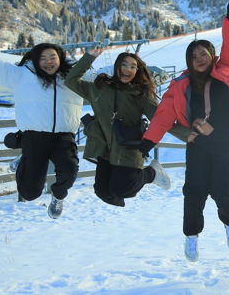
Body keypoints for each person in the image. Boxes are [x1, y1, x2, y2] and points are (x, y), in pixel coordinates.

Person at [139, 0, 229, 262]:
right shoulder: (180, 84)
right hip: (198, 143)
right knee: (194, 191)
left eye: (204, 53)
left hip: (225, 142)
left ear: (212, 55)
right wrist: (149, 141)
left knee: (223, 189)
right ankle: (191, 236)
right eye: (194, 55)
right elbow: (162, 115)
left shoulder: (227, 70)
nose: (199, 58)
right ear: (188, 61)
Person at [0, 27, 83, 219]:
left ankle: (58, 197)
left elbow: (103, 77)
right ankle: (24, 161)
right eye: (43, 58)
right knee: (30, 193)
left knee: (70, 170)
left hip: (64, 135)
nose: (48, 62)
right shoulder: (21, 75)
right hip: (35, 136)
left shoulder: (71, 78)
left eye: (52, 57)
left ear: (60, 58)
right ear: (36, 60)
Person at [64, 49, 172, 207]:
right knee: (102, 191)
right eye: (124, 64)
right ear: (117, 67)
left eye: (133, 66)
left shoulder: (140, 94)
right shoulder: (99, 88)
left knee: (123, 189)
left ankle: (152, 173)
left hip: (127, 146)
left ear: (137, 71)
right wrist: (89, 57)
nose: (128, 69)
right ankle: (121, 191)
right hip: (105, 147)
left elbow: (159, 119)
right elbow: (71, 80)